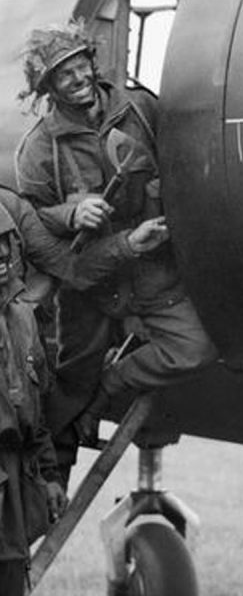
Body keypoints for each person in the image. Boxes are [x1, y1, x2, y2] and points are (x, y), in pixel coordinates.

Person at [16, 20, 216, 470]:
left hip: (154, 273)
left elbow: (186, 157)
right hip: (91, 286)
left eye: (81, 65)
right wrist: (71, 212)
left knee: (195, 348)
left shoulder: (141, 108)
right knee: (68, 390)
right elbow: (31, 226)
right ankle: (49, 487)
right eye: (64, 74)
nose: (79, 78)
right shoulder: (38, 149)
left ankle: (113, 378)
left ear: (91, 61)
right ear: (49, 86)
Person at [0, 187, 168, 596]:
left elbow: (34, 417)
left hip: (13, 491)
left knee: (10, 577)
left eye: (6, 247)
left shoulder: (22, 323)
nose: (1, 259)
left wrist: (50, 478)